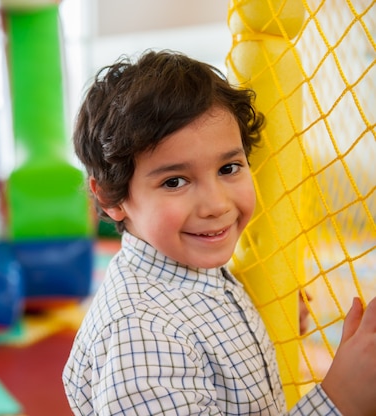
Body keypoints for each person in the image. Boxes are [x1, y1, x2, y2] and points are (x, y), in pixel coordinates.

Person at [62, 50, 376, 415]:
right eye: (175, 181)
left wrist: (260, 320)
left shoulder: (194, 271)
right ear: (112, 198)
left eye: (228, 168)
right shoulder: (142, 334)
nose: (216, 204)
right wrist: (340, 401)